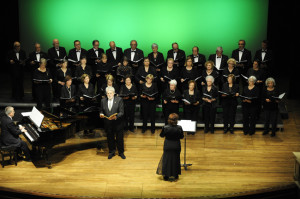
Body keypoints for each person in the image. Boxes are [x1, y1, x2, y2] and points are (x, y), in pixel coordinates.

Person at [100, 86, 125, 159]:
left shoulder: (119, 100)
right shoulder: (103, 101)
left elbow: (121, 112)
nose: (109, 95)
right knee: (110, 138)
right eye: (107, 93)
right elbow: (101, 110)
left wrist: (116, 117)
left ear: (113, 93)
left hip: (118, 123)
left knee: (119, 139)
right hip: (108, 123)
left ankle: (121, 152)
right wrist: (101, 114)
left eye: (110, 93)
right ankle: (111, 152)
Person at [157, 113, 184, 181]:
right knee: (176, 159)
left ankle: (166, 176)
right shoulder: (179, 127)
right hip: (176, 145)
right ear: (176, 120)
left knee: (166, 159)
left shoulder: (165, 127)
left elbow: (161, 135)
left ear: (169, 120)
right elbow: (181, 137)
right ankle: (175, 175)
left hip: (168, 145)